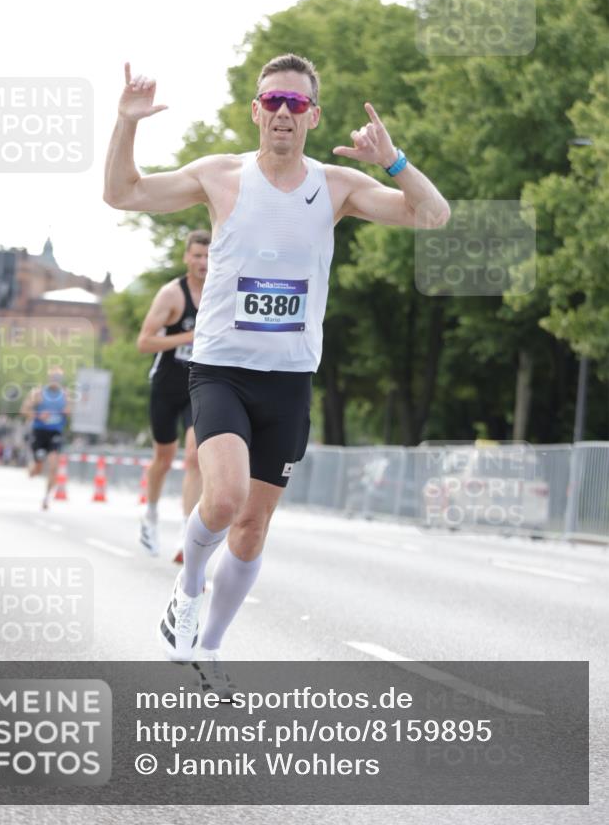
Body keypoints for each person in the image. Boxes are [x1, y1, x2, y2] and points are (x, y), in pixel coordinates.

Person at [104, 54, 450, 680]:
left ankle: (209, 647)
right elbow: (121, 193)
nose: (283, 114)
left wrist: (394, 162)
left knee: (253, 528)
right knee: (227, 496)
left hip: (289, 381)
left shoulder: (337, 186)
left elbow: (433, 215)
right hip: (221, 370)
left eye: (295, 104)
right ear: (256, 110)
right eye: (272, 102)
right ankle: (185, 597)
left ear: (313, 115)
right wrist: (127, 122)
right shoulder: (222, 176)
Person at [136, 230, 209, 560]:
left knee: (195, 455)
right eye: (197, 255)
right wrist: (189, 337)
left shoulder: (221, 292)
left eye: (208, 256)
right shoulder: (172, 295)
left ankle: (186, 535)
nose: (203, 262)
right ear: (186, 258)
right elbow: (144, 342)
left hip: (202, 384)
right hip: (166, 384)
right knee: (163, 459)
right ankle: (150, 514)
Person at [20, 367, 70, 510]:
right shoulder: (38, 393)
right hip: (40, 432)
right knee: (37, 469)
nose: (56, 381)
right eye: (54, 378)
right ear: (49, 379)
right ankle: (32, 469)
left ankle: (46, 498)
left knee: (54, 466)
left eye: (59, 378)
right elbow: (24, 410)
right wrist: (38, 415)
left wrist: (68, 411)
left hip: (56, 433)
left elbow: (71, 410)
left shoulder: (66, 394)